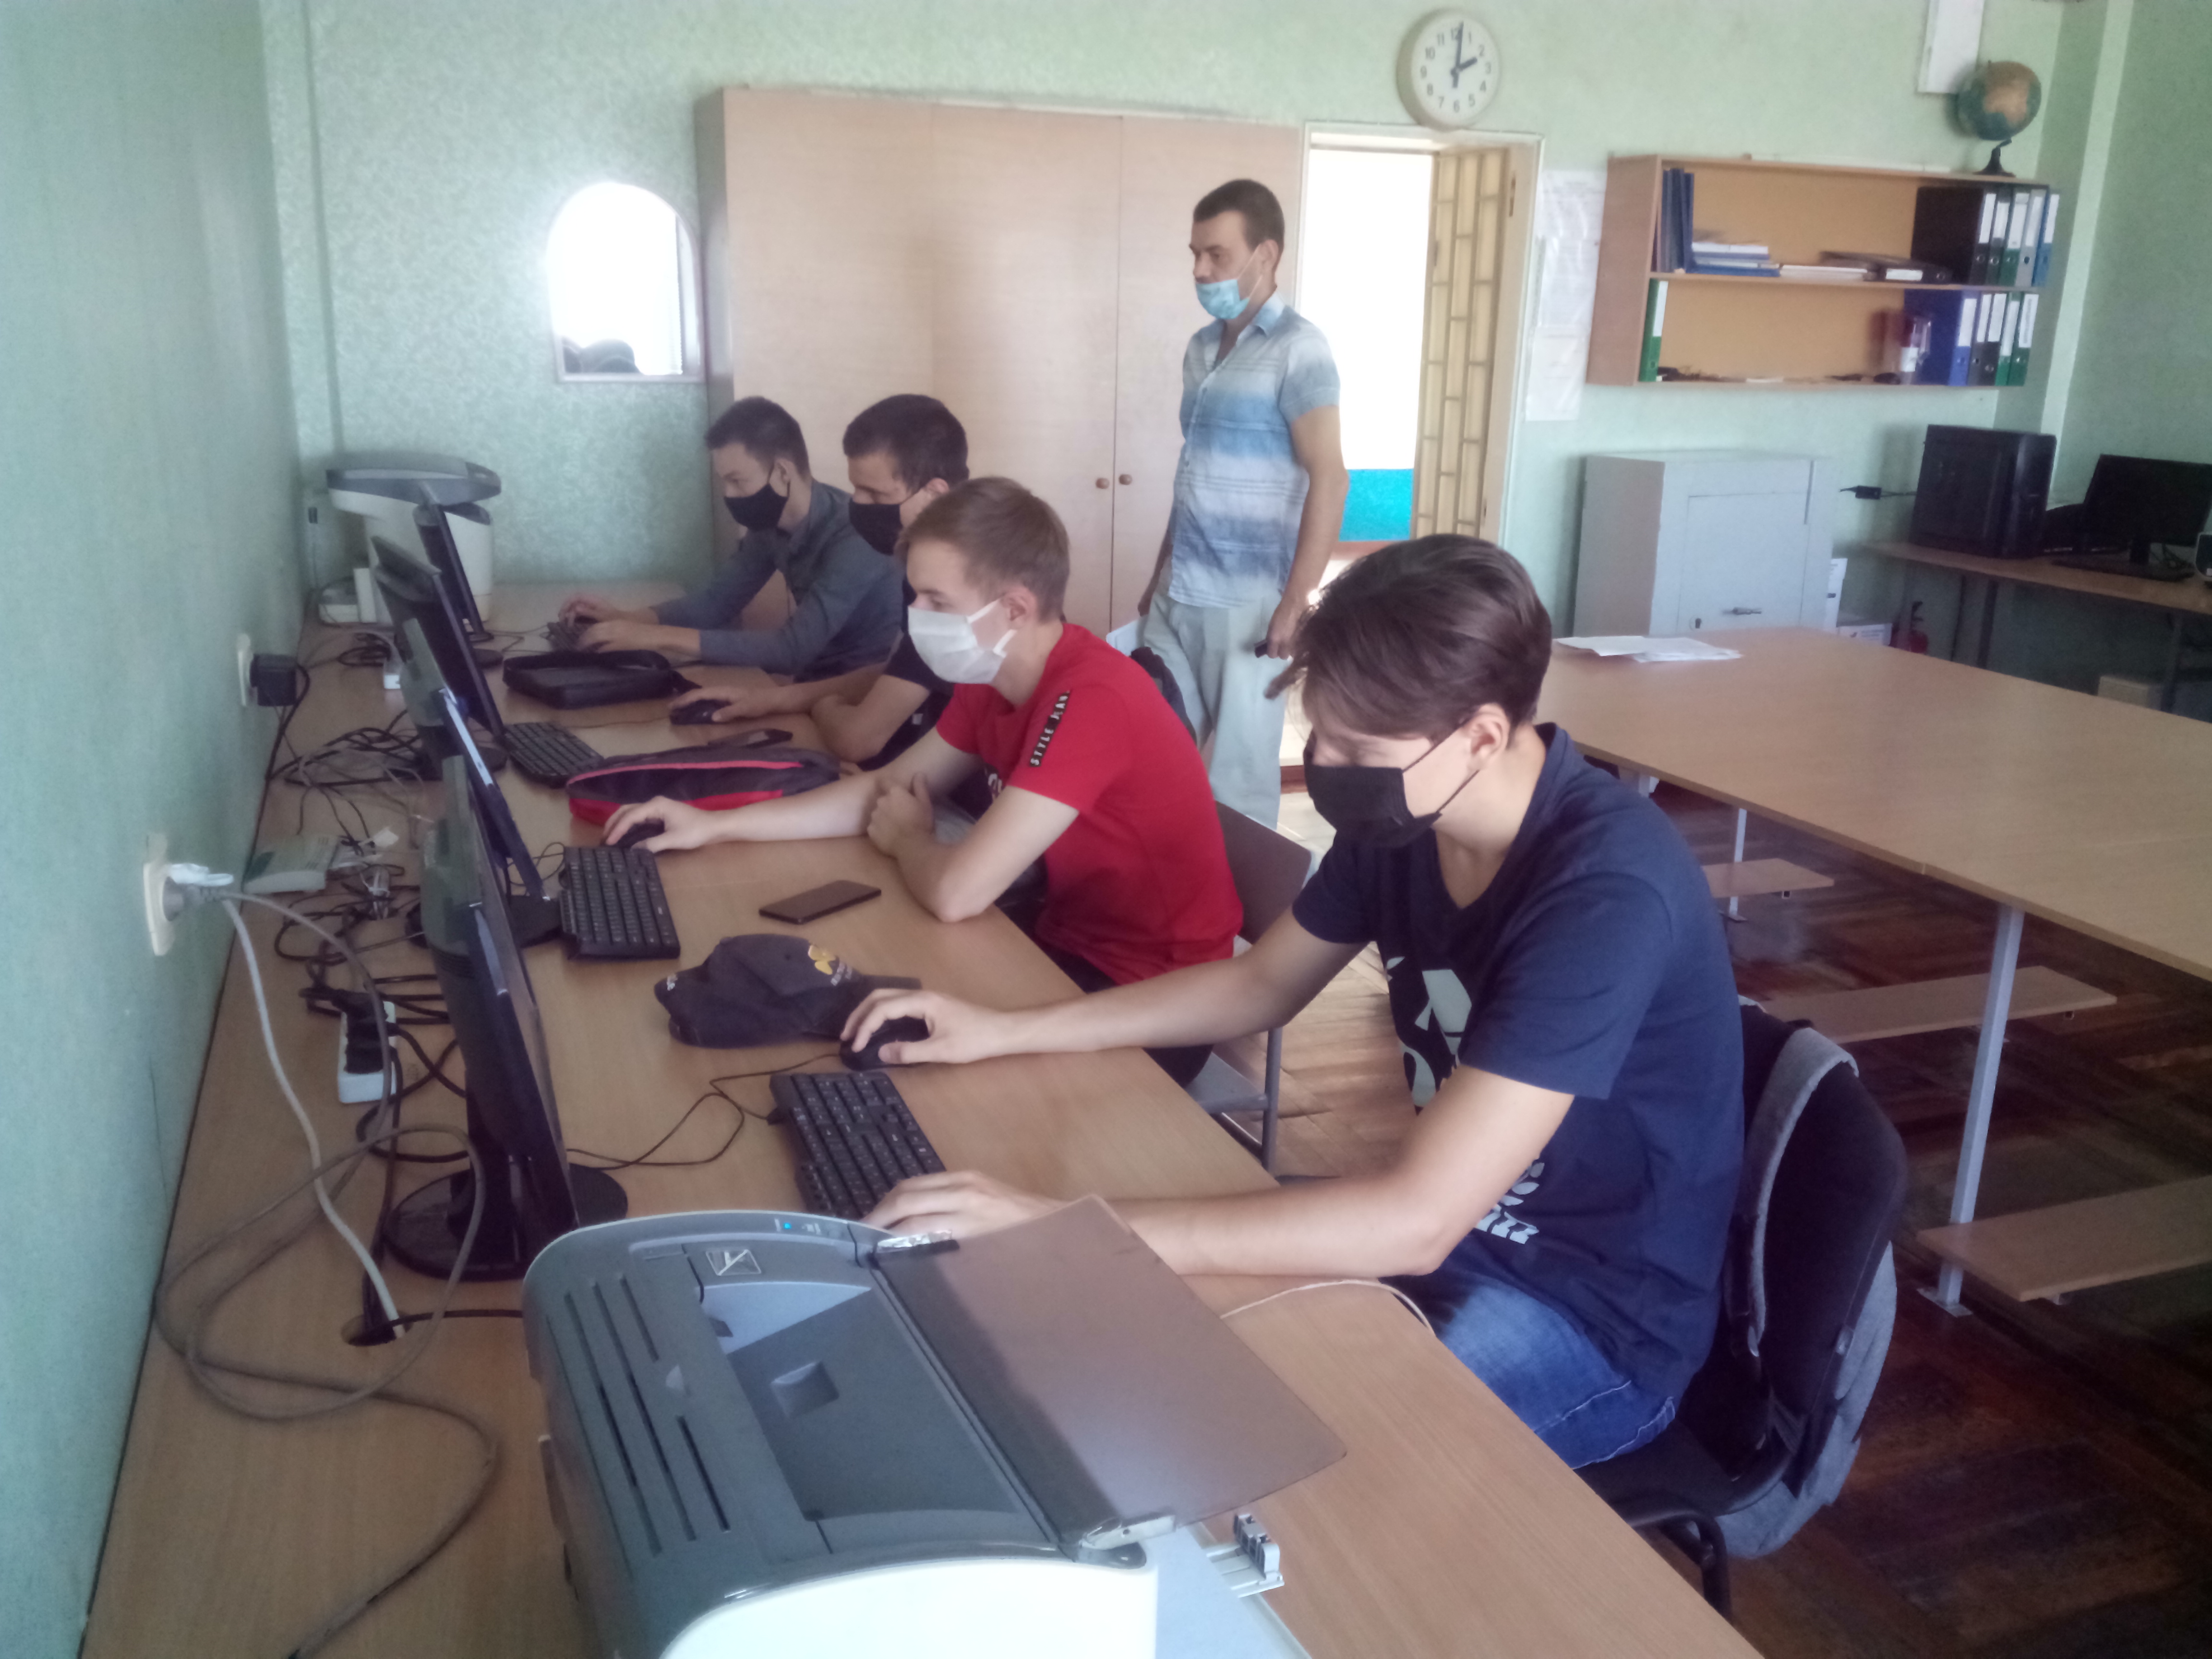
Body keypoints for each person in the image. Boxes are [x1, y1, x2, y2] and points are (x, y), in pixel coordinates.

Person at [842, 537, 1745, 1468]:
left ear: (1481, 736)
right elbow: (1259, 983)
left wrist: (1061, 1226)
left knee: (1277, 1465)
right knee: (1130, 1364)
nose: (1326, 766)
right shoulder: (1409, 815)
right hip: (1441, 1242)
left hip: (1588, 1311)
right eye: (1320, 736)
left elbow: (1416, 1220)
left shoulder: (1604, 890)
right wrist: (1003, 1032)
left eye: (1357, 750)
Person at [604, 478, 1242, 1085]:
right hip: (1062, 946)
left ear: (1014, 609)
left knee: (901, 1066)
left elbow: (958, 892)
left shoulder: (1094, 699)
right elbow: (884, 788)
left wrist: (911, 840)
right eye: (914, 596)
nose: (915, 616)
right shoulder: (991, 674)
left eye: (937, 602)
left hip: (1154, 999)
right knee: (847, 1013)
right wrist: (716, 826)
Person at [1137, 178, 1348, 829]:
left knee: (1237, 780)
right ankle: (1161, 880)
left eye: (1217, 255)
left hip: (1248, 604)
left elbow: (1330, 477)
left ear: (1266, 256)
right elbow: (1196, 473)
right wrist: (1159, 572)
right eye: (1195, 255)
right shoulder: (1201, 349)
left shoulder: (1299, 349)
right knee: (1148, 746)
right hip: (1178, 590)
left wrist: (1296, 602)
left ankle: (1235, 900)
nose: (1201, 271)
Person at [670, 395, 968, 772]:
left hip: (954, 787)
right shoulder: (924, 568)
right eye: (857, 489)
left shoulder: (961, 586)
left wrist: (822, 704)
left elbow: (857, 739)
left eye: (876, 494)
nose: (857, 505)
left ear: (935, 495)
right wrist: (770, 699)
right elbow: (899, 669)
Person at [560, 396, 902, 677]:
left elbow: (792, 649)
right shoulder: (769, 525)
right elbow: (716, 603)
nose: (729, 494)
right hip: (809, 681)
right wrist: (626, 618)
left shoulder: (857, 536)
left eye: (737, 481)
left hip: (858, 692)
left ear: (782, 473)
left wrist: (655, 637)